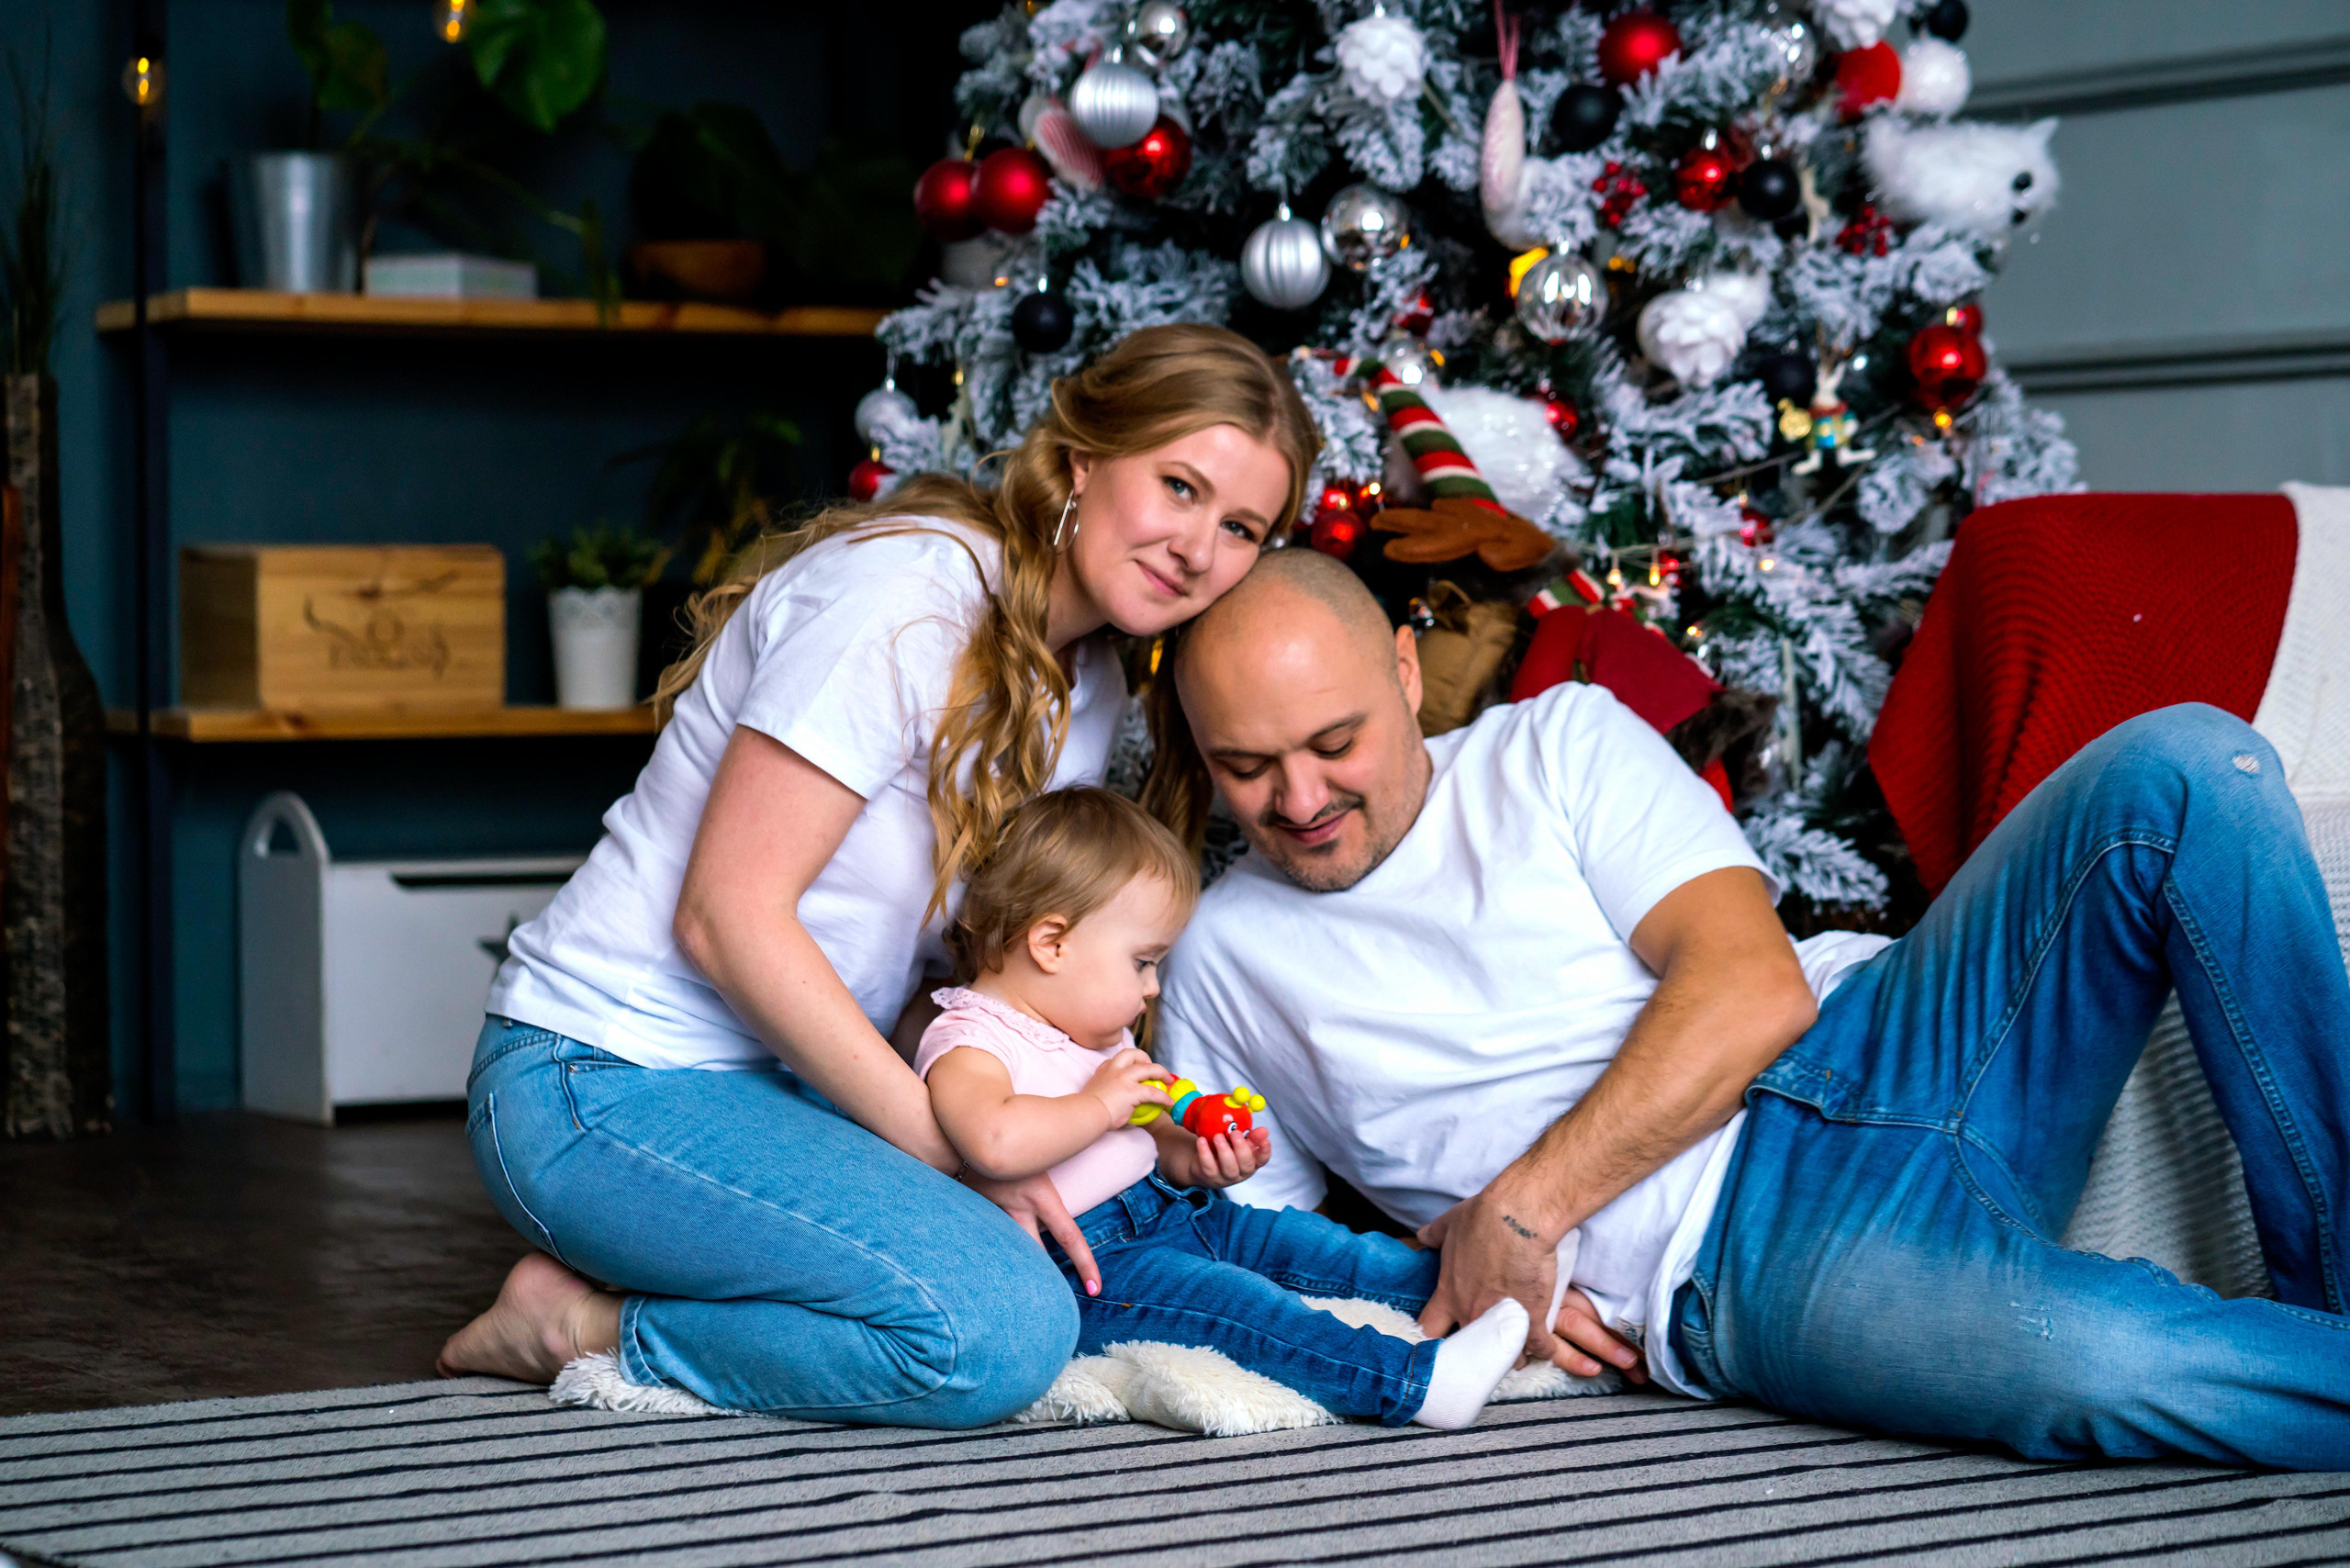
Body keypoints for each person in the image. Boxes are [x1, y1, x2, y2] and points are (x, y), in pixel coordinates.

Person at [1151, 547, 2350, 1467]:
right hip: (1744, 1264)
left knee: (2190, 770)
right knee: (2104, 1365)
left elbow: (1750, 987)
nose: (1298, 797)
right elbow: (1246, 1242)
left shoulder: (1557, 745)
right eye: (1246, 768)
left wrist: (1518, 1213)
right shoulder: (1220, 960)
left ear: (1405, 675)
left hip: (1881, 1033)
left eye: (1334, 742)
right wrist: (1448, 1287)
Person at [435, 325, 1319, 1427]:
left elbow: (961, 988)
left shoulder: (1085, 689)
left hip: (786, 1093)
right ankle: (581, 1325)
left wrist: (1126, 1126)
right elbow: (725, 919)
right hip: (596, 1074)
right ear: (1085, 458)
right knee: (995, 1332)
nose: (1198, 547)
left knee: (1042, 1274)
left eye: (1240, 526)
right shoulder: (906, 593)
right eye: (1178, 487)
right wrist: (956, 1157)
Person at [917, 786, 1538, 1429]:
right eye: (1143, 963)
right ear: (1052, 944)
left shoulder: (1091, 1030)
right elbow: (992, 1141)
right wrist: (1100, 1105)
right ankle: (1414, 1383)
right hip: (1095, 1268)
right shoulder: (968, 1039)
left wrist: (1200, 1161)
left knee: (1314, 1246)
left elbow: (1148, 1137)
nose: (1153, 987)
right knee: (1242, 1309)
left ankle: (1479, 1293)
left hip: (1177, 1211)